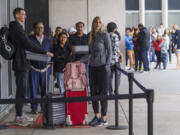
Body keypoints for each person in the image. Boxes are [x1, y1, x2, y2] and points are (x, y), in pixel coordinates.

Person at [8, 8, 53, 126]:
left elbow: (24, 43)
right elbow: (28, 44)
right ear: (17, 15)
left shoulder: (17, 28)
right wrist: (44, 52)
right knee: (21, 90)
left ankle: (20, 114)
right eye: (23, 14)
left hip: (22, 62)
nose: (25, 16)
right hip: (20, 62)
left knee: (22, 90)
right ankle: (18, 117)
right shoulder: (17, 28)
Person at [87, 16, 112, 126]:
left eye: (99, 22)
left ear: (101, 24)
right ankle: (96, 115)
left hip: (102, 67)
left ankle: (104, 117)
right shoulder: (91, 36)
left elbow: (110, 51)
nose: (97, 24)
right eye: (95, 22)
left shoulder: (104, 35)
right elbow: (89, 53)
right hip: (92, 67)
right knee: (93, 92)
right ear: (93, 24)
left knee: (103, 92)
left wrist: (107, 66)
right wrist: (79, 61)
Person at [29, 21, 53, 114]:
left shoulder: (48, 40)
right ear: (34, 29)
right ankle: (34, 108)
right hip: (33, 68)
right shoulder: (30, 39)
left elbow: (51, 52)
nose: (40, 29)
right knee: (33, 90)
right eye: (38, 28)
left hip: (45, 69)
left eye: (42, 28)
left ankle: (44, 108)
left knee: (45, 90)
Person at [107, 22, 123, 96]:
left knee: (109, 77)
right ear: (114, 28)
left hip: (108, 60)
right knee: (118, 76)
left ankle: (110, 92)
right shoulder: (115, 36)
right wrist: (121, 55)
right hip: (115, 59)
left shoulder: (105, 35)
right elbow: (115, 48)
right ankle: (116, 91)